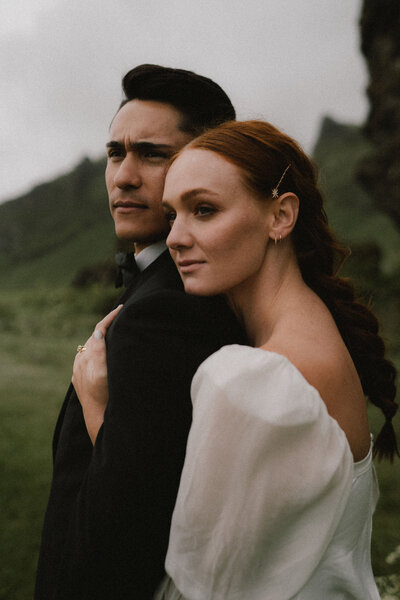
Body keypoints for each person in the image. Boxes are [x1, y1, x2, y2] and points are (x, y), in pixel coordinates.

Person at [151, 119, 399, 599]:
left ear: (281, 216)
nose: (176, 237)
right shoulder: (317, 330)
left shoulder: (259, 379)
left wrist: (99, 414)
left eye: (203, 210)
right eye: (171, 215)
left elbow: (203, 583)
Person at [34, 65, 246, 600]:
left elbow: (130, 524)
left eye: (151, 154)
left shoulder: (168, 311)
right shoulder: (170, 289)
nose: (124, 176)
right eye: (115, 153)